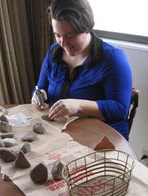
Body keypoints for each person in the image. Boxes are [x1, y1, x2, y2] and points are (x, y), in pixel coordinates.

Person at [31, 0, 132, 140]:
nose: (63, 44)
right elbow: (40, 88)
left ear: (87, 27)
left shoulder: (113, 58)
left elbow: (120, 109)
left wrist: (78, 105)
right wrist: (38, 97)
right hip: (61, 134)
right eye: (58, 35)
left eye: (70, 36)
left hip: (103, 139)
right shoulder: (53, 53)